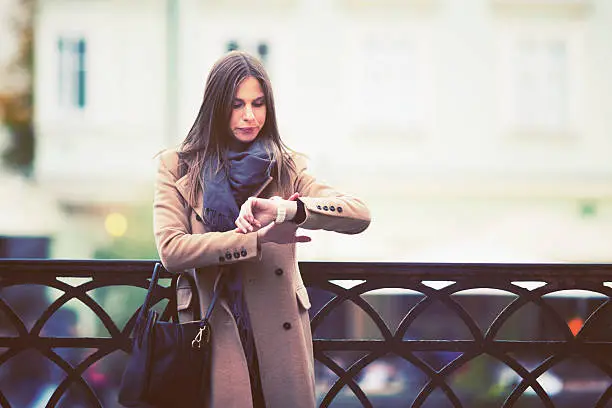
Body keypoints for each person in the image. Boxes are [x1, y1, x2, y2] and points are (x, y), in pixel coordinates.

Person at [153, 50, 371, 407]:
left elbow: (358, 214)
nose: (249, 116)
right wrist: (254, 240)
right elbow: (172, 250)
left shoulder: (285, 166)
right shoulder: (177, 166)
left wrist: (288, 209)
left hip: (278, 338)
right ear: (215, 107)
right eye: (236, 104)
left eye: (258, 103)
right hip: (211, 334)